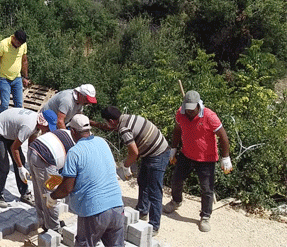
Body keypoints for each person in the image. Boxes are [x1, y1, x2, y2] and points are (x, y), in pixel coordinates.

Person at [49, 114, 125, 247]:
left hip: (94, 211)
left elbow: (67, 188)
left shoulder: (74, 152)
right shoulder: (102, 142)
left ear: (72, 131)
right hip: (117, 206)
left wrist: (52, 196)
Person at [163, 90, 232, 233]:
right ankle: (176, 201)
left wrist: (226, 157)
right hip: (186, 155)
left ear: (198, 105)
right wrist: (174, 148)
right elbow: (177, 131)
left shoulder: (209, 116)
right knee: (176, 179)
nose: (189, 112)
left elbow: (223, 137)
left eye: (192, 109)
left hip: (206, 159)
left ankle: (205, 216)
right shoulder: (180, 113)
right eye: (186, 109)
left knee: (206, 189)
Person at [100, 106, 169, 235]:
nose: (107, 124)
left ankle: (154, 225)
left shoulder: (124, 128)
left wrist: (125, 166)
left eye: (106, 122)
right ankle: (142, 211)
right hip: (150, 152)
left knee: (155, 190)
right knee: (142, 180)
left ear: (112, 121)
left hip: (159, 154)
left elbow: (134, 152)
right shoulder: (127, 117)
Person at [0, 108, 56, 208]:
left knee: (21, 159)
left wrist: (32, 161)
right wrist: (20, 168)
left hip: (10, 132)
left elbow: (31, 143)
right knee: (4, 166)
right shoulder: (29, 126)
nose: (48, 130)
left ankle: (24, 194)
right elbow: (14, 148)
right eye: (48, 127)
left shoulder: (37, 125)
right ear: (43, 122)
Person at [27, 125, 76, 234]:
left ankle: (43, 220)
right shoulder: (77, 149)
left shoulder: (67, 132)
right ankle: (54, 228)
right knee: (50, 195)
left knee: (39, 189)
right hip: (44, 159)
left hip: (33, 149)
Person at [0, 30, 29, 114]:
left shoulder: (23, 45)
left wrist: (25, 77)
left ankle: (15, 123)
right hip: (3, 78)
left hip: (17, 78)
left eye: (21, 44)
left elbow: (24, 61)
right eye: (18, 43)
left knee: (19, 104)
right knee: (4, 104)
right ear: (14, 38)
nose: (19, 46)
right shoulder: (3, 44)